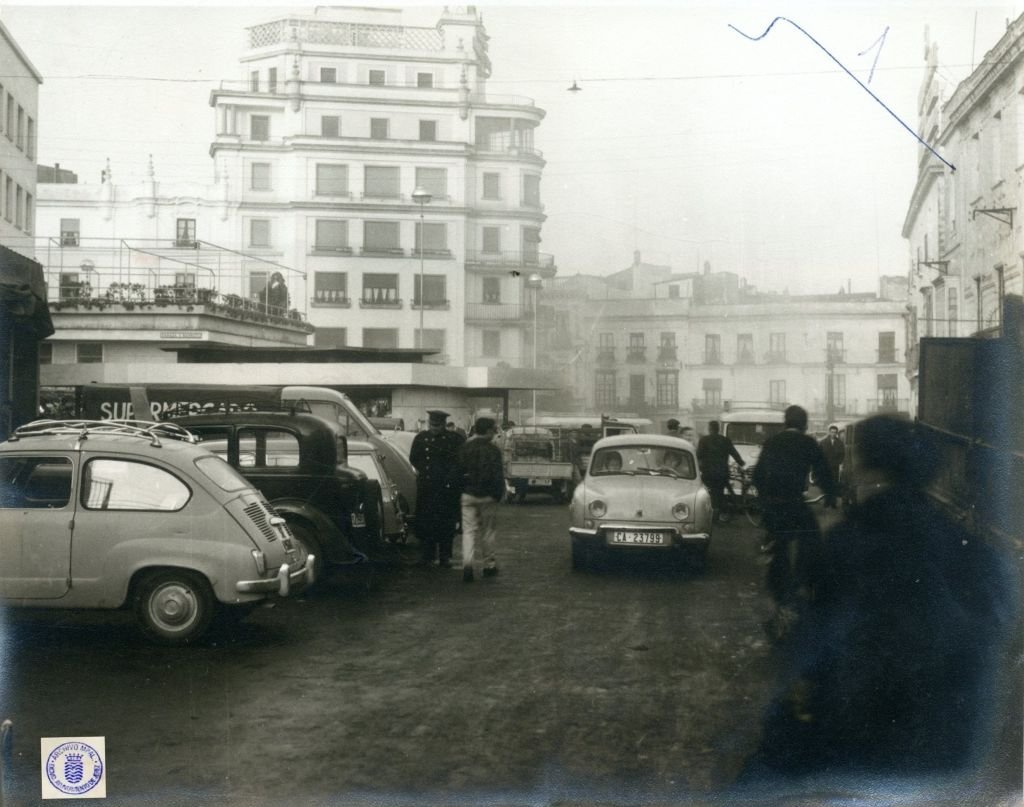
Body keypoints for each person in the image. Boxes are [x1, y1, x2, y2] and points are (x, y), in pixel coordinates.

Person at [744, 415, 1016, 780]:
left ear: (867, 466)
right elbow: (997, 621)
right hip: (947, 743)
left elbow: (818, 649)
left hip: (864, 738)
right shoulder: (964, 544)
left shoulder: (849, 540)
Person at [751, 405, 837, 639]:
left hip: (773, 508)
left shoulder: (771, 442)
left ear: (785, 422)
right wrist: (830, 494)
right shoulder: (808, 443)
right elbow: (823, 472)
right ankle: (803, 584)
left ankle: (779, 595)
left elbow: (757, 475)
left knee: (775, 551)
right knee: (813, 542)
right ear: (804, 424)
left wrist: (764, 499)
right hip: (794, 505)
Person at [409, 409, 465, 567]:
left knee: (446, 524)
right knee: (426, 522)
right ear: (428, 423)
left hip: (446, 488)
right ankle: (427, 555)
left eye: (438, 425)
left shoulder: (454, 439)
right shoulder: (421, 438)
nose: (434, 428)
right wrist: (425, 471)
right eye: (432, 425)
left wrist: (450, 478)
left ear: (444, 425)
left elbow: (459, 462)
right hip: (427, 487)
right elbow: (414, 458)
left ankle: (445, 557)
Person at [457, 417, 505, 582]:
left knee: (468, 532)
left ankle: (468, 566)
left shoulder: (465, 447)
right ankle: (489, 565)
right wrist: (498, 495)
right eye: (493, 429)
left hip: (468, 495)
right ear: (488, 431)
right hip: (488, 496)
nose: (495, 432)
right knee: (488, 532)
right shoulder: (493, 450)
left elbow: (458, 470)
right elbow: (498, 476)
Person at [696, 420, 745, 522]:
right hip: (722, 473)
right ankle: (719, 513)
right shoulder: (725, 440)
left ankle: (711, 513)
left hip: (708, 472)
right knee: (719, 492)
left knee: (709, 492)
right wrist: (741, 463)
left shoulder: (704, 440)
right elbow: (734, 453)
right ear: (718, 429)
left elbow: (698, 455)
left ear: (709, 429)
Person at [818, 424, 845, 506]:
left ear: (836, 433)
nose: (833, 434)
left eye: (835, 432)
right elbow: (819, 454)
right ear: (829, 432)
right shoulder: (823, 442)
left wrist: (839, 463)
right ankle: (827, 501)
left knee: (834, 485)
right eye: (832, 432)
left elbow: (842, 454)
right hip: (825, 467)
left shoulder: (840, 443)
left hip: (835, 467)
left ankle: (833, 502)